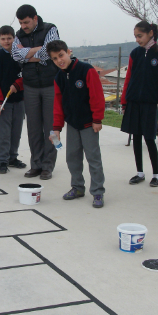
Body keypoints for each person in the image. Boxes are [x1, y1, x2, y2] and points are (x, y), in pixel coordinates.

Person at [48, 40, 106, 208]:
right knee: (72, 157)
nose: (59, 60)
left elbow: (97, 96)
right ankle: (77, 187)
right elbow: (58, 105)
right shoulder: (58, 77)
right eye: (54, 58)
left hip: (89, 123)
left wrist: (97, 119)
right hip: (72, 124)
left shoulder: (86, 70)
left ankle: (97, 191)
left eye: (61, 55)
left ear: (68, 52)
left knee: (93, 158)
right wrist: (56, 129)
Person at [120, 21, 158, 187]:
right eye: (135, 36)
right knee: (136, 137)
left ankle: (156, 174)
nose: (137, 39)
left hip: (149, 103)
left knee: (149, 138)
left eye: (139, 36)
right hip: (134, 101)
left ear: (150, 33)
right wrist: (124, 99)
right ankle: (139, 172)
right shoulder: (135, 53)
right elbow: (128, 78)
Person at [12, 4, 60, 180]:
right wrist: (37, 52)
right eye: (21, 23)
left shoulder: (50, 29)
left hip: (50, 85)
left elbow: (50, 53)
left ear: (35, 18)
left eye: (26, 22)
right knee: (33, 129)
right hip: (30, 86)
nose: (23, 26)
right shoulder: (18, 35)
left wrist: (27, 55)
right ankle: (36, 164)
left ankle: (49, 165)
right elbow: (15, 55)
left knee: (52, 129)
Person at [0, 25, 26, 174]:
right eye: (3, 39)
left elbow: (27, 75)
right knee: (4, 133)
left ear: (14, 39)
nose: (6, 41)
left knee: (16, 131)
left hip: (20, 100)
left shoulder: (22, 55)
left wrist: (18, 85)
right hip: (4, 102)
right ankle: (3, 160)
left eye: (9, 38)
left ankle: (13, 157)